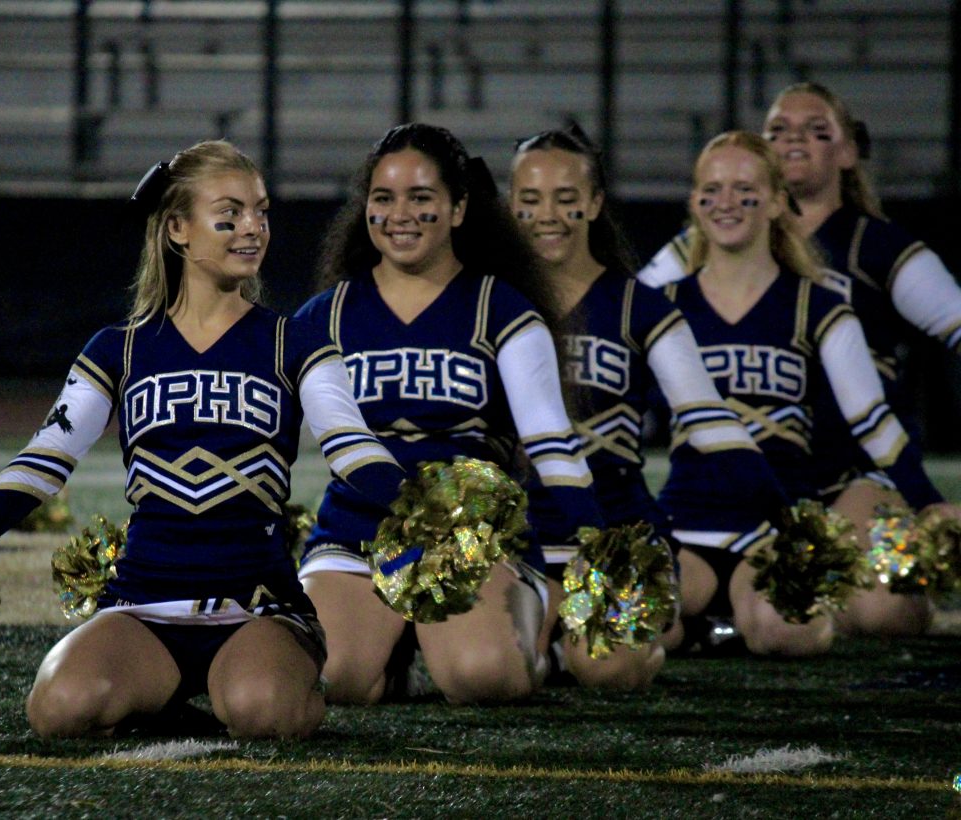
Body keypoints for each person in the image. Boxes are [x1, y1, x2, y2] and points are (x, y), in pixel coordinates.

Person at [0, 140, 407, 739]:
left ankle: (278, 677)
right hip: (143, 604)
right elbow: (40, 466)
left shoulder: (295, 342)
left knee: (263, 711)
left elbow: (353, 450)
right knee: (59, 710)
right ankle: (167, 695)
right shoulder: (119, 349)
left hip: (255, 604)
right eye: (230, 213)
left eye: (261, 212)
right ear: (178, 229)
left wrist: (424, 508)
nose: (253, 228)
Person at [295, 123, 605, 704]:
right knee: (329, 680)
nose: (399, 214)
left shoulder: (503, 309)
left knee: (484, 679)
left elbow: (550, 441)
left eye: (421, 198)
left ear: (459, 209)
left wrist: (593, 538)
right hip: (358, 528)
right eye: (382, 199)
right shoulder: (324, 317)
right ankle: (391, 646)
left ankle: (523, 634)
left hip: (472, 535)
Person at [640, 83, 961, 636]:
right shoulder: (679, 280)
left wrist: (927, 502)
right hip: (706, 500)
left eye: (815, 130)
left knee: (880, 614)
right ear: (696, 199)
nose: (794, 142)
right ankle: (725, 616)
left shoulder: (866, 255)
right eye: (779, 130)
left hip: (842, 476)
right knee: (638, 622)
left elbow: (882, 406)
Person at [510, 125, 787, 674]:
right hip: (523, 534)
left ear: (593, 203)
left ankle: (623, 630)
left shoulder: (642, 304)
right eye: (531, 199)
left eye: (566, 199)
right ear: (510, 205)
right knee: (514, 665)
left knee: (613, 671)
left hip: (619, 528)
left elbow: (707, 420)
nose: (548, 215)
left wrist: (785, 511)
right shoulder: (490, 299)